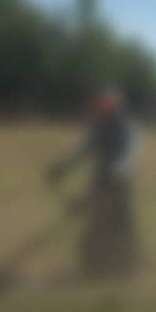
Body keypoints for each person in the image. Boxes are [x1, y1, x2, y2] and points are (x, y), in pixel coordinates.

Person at [46, 86, 139, 278]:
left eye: (105, 104)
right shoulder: (99, 127)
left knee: (118, 222)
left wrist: (117, 172)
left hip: (119, 183)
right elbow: (84, 151)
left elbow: (128, 151)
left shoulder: (124, 125)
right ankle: (97, 264)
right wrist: (63, 168)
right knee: (97, 221)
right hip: (102, 179)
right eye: (100, 105)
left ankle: (124, 263)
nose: (101, 108)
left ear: (115, 105)